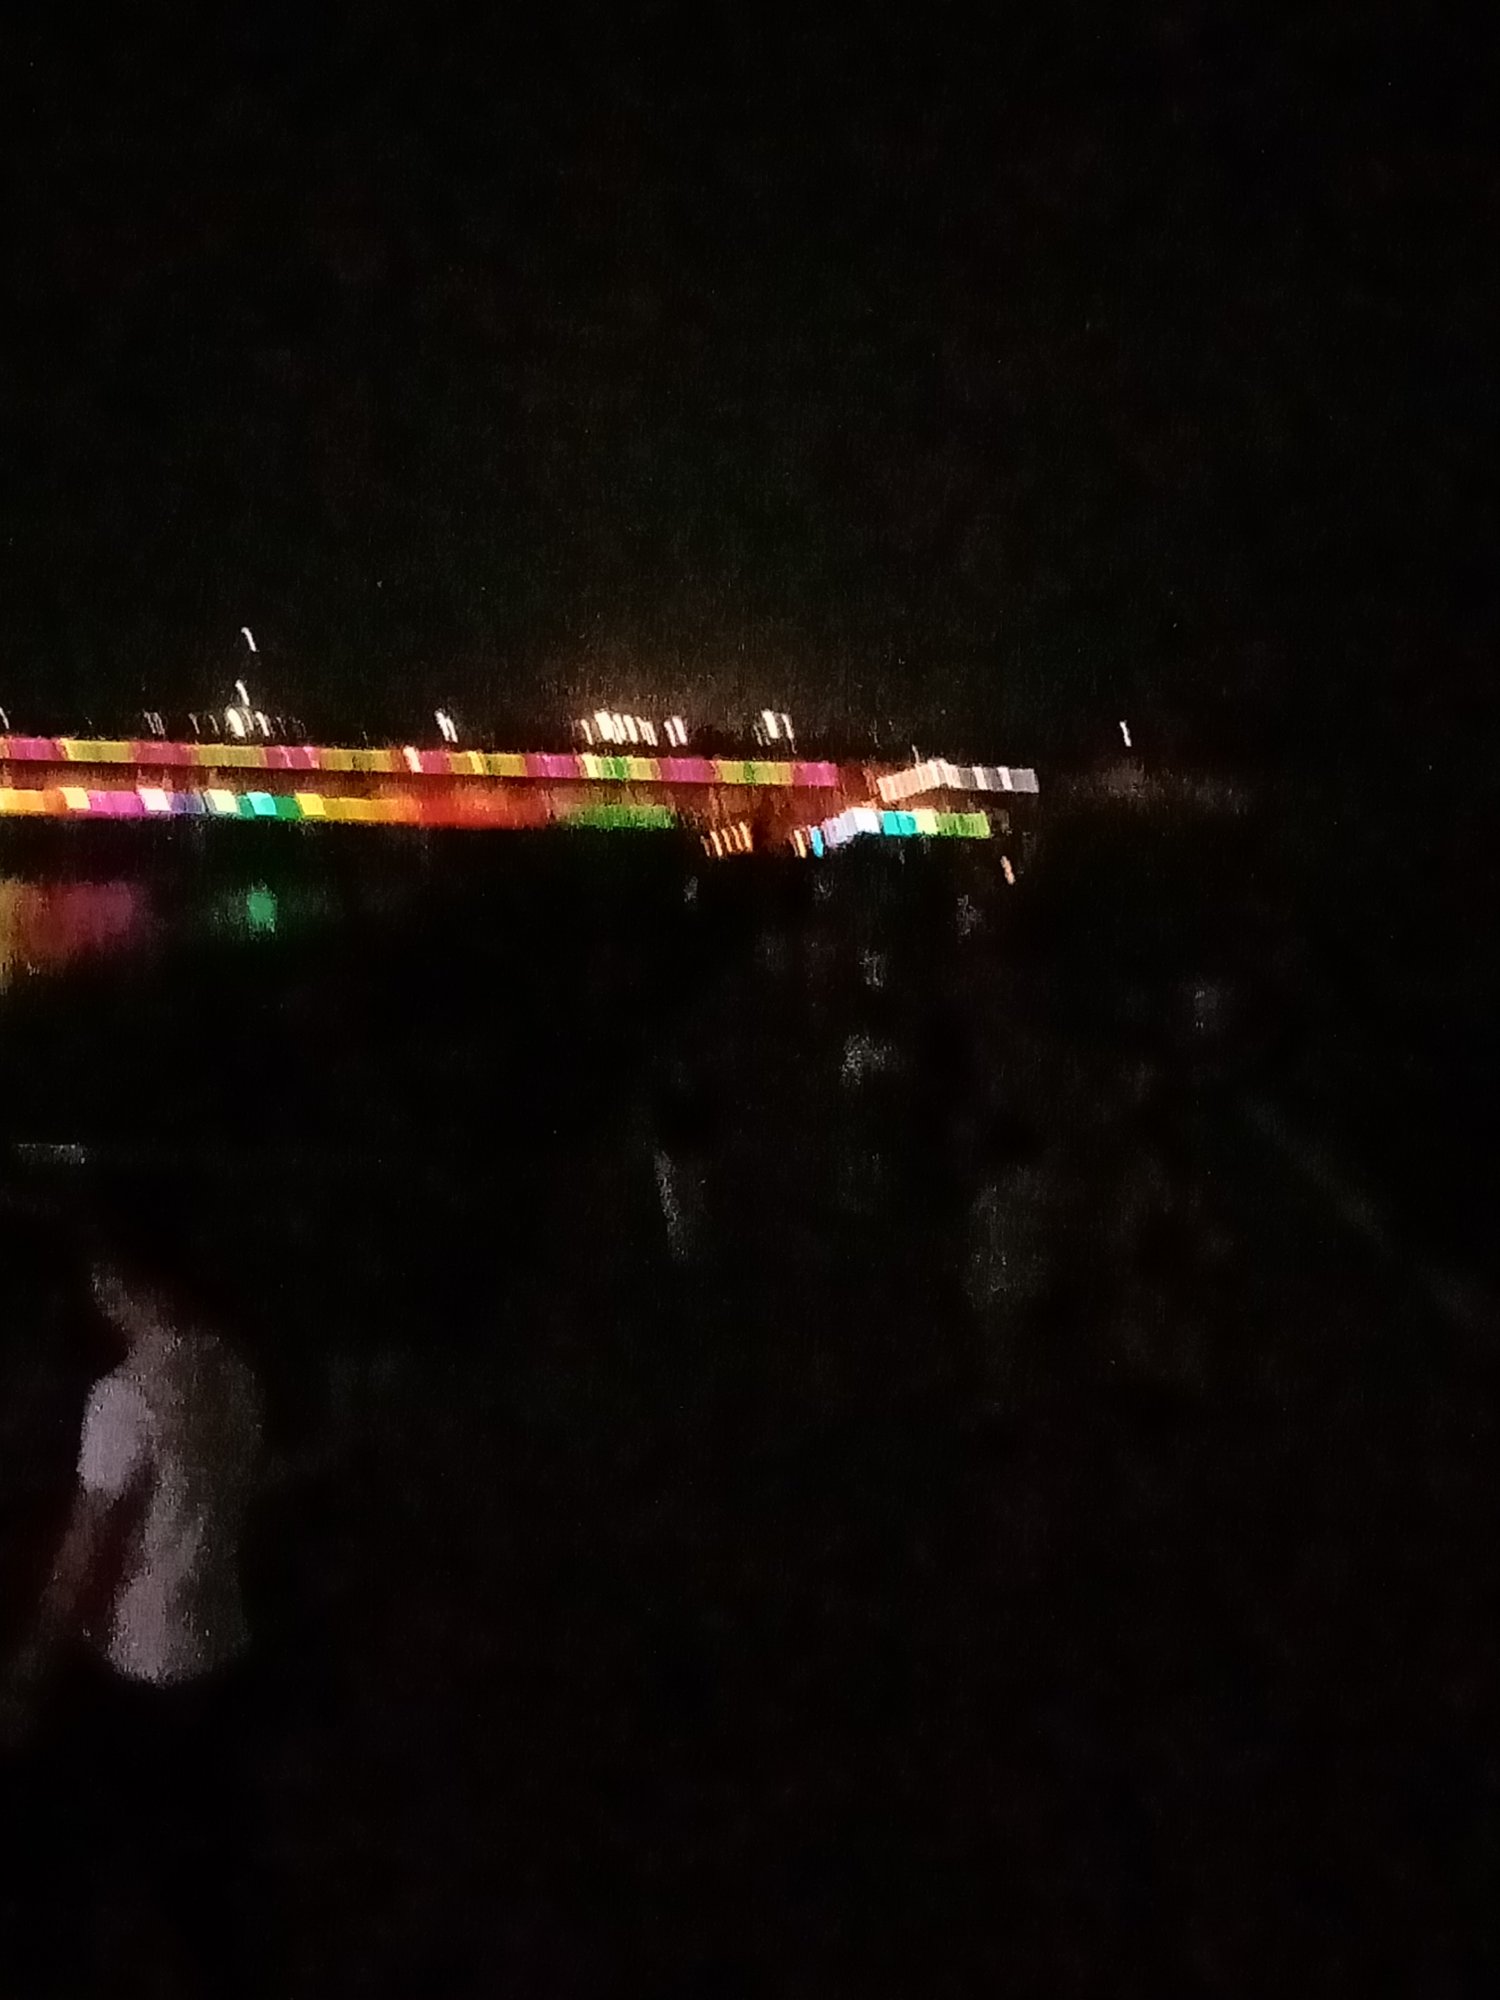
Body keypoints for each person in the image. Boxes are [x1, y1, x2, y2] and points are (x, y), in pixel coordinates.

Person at [0, 1230, 275, 1997]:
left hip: (142, 1661)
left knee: (93, 1842)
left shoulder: (124, 1399)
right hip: (221, 1639)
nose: (99, 1296)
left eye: (105, 1280)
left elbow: (86, 1554)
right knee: (203, 1837)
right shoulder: (234, 1368)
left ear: (131, 1284)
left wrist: (26, 1674)